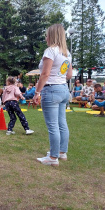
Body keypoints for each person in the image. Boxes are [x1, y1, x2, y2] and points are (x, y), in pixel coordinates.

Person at [33, 24, 72, 166]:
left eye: (47, 35)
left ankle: (53, 157)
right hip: (63, 89)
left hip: (51, 89)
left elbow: (45, 74)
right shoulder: (66, 53)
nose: (45, 38)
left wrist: (37, 92)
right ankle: (62, 152)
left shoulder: (50, 51)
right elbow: (69, 75)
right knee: (62, 123)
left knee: (53, 126)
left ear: (52, 36)